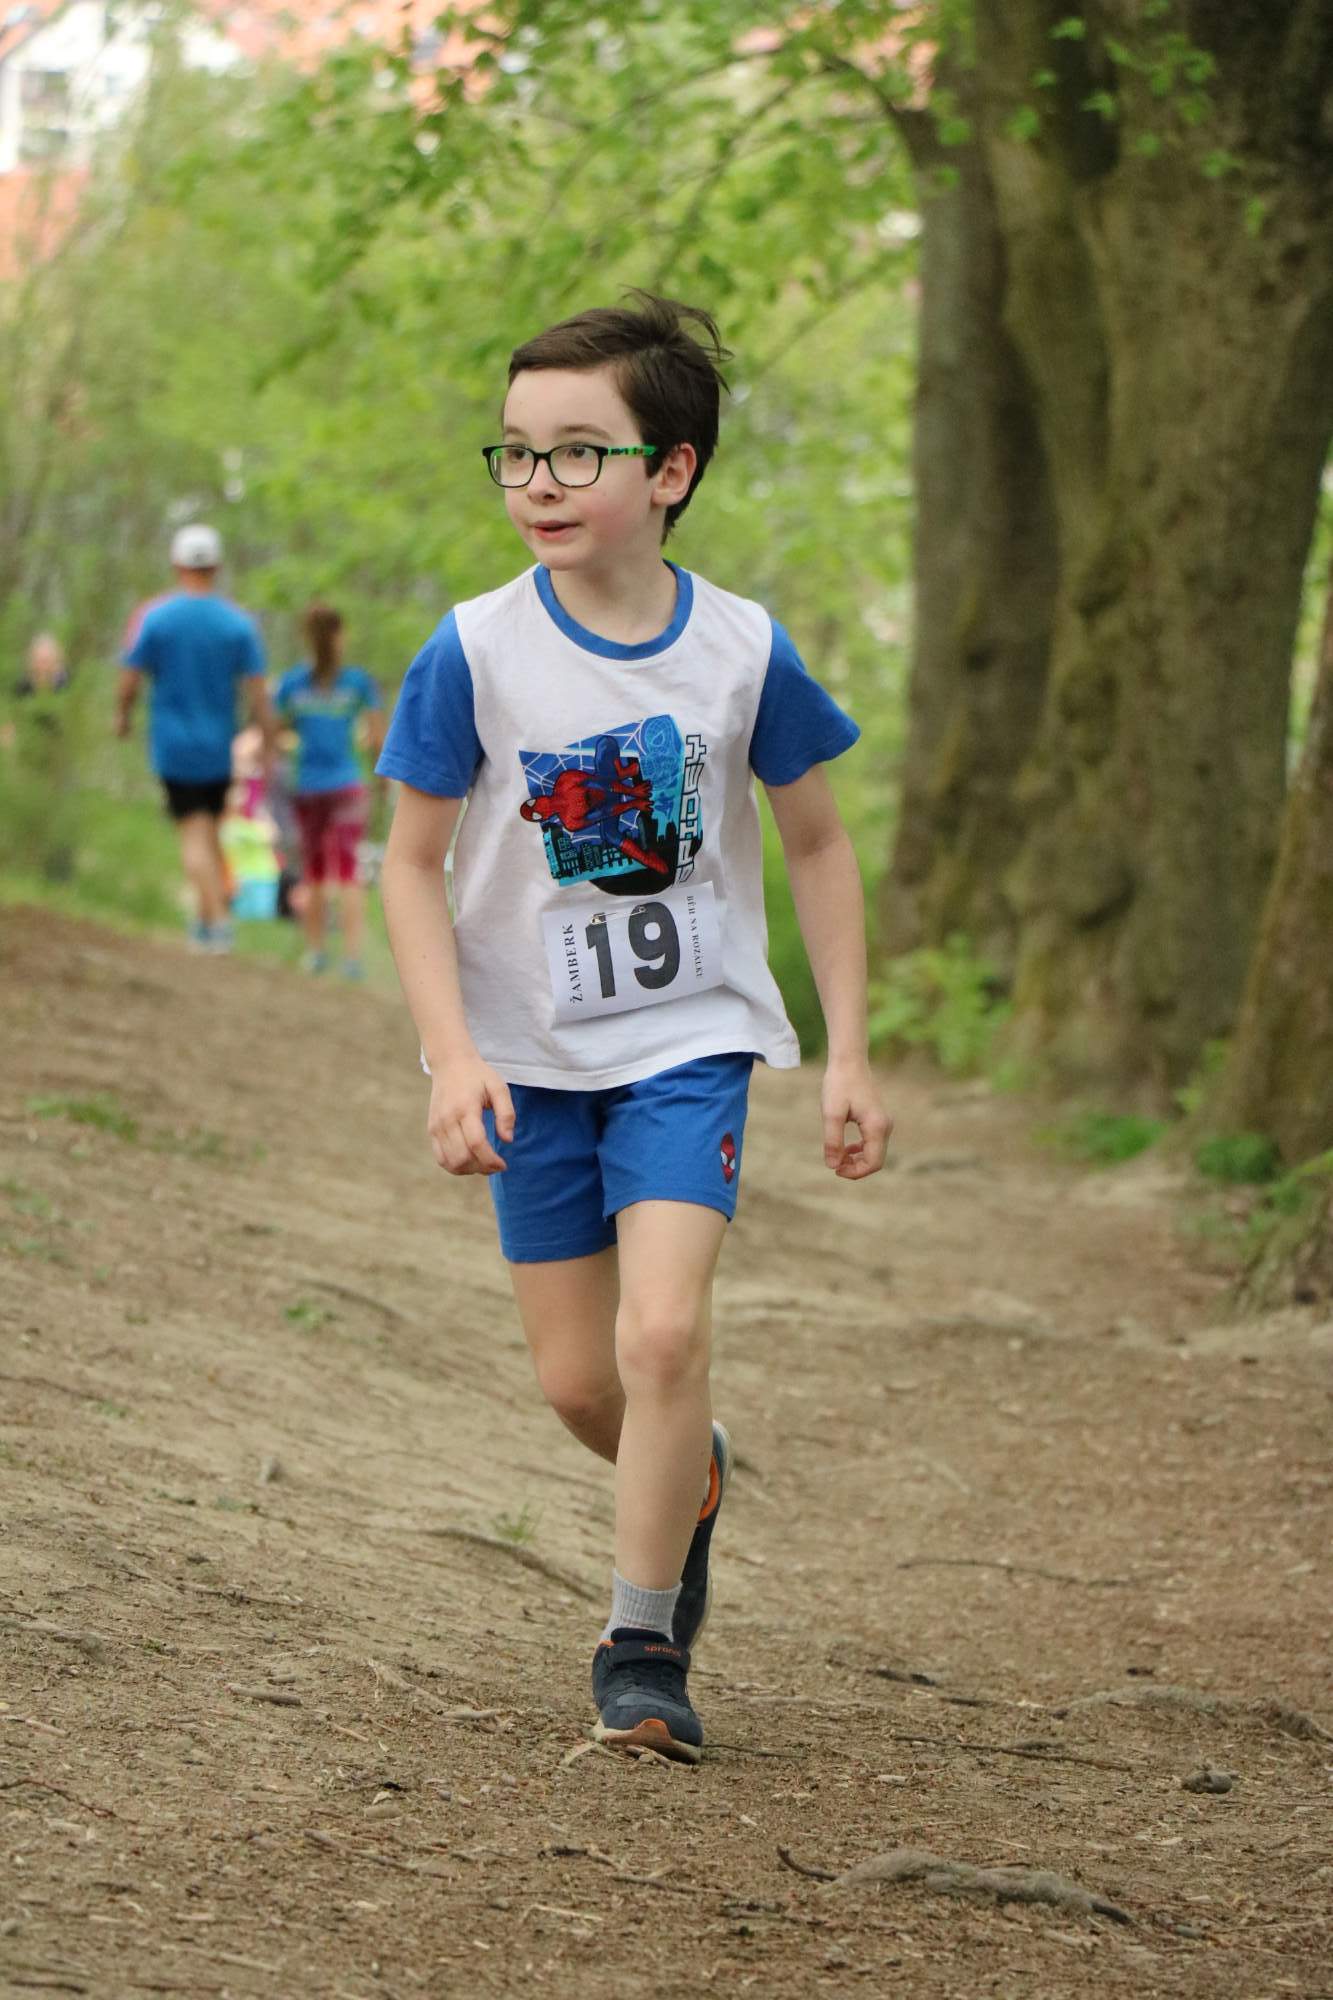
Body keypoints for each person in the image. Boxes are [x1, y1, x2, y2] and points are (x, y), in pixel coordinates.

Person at [375, 291, 892, 1765]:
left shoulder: (742, 650)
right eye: (516, 452)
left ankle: (640, 1645)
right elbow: (408, 865)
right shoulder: (472, 651)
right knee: (581, 1383)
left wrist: (848, 1048)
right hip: (529, 1059)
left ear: (668, 471)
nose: (537, 482)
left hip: (685, 1041)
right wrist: (452, 1055)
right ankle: (692, 1472)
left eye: (577, 452)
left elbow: (817, 845)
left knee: (663, 1332)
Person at [115, 525, 276, 952]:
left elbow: (130, 677)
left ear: (177, 565)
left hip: (173, 744)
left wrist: (122, 716)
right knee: (209, 830)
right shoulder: (237, 624)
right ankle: (204, 923)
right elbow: (258, 691)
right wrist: (268, 741)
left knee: (192, 832)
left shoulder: (156, 617)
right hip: (219, 746)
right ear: (216, 568)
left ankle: (217, 922)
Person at [273, 604, 385, 978]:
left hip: (308, 786)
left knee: (316, 871)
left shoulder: (292, 684)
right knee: (349, 872)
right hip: (348, 785)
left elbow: (274, 732)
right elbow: (378, 739)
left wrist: (293, 741)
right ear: (340, 636)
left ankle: (316, 952)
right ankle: (352, 958)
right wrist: (381, 779)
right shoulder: (358, 683)